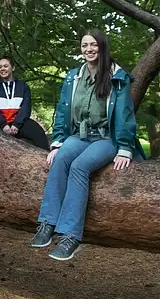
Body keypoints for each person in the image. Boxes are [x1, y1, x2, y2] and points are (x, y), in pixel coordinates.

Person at [31, 30, 140, 262]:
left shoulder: (118, 77)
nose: (89, 49)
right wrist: (58, 141)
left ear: (102, 47)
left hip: (105, 139)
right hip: (79, 136)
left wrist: (124, 147)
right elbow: (62, 110)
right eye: (84, 45)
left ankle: (71, 235)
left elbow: (124, 113)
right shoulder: (73, 77)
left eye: (93, 45)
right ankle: (47, 222)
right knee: (60, 160)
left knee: (80, 167)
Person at [0, 56, 50, 150]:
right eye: (0, 67)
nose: (2, 69)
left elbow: (26, 107)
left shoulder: (23, 86)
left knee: (38, 133)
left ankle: (47, 158)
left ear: (13, 68)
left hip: (19, 122)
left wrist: (17, 124)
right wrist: (3, 125)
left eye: (5, 66)